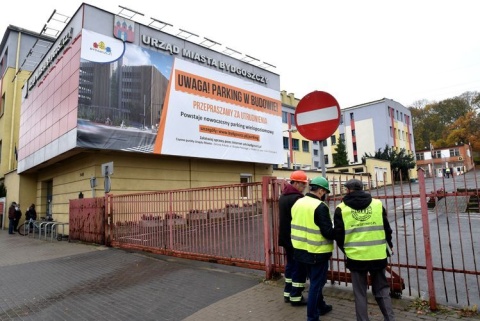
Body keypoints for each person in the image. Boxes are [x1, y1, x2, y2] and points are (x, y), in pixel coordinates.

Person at [334, 179, 395, 321]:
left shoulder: (341, 208)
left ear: (348, 190)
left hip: (356, 257)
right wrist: (389, 245)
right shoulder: (377, 204)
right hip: (378, 255)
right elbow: (387, 229)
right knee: (382, 290)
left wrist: (347, 251)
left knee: (360, 293)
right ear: (362, 189)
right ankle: (390, 318)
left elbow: (339, 236)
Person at [291, 176, 334, 320]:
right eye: (325, 192)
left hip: (300, 250)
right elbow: (327, 232)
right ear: (321, 191)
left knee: (315, 282)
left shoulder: (298, 202)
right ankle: (312, 317)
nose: (325, 195)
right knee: (316, 285)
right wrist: (340, 230)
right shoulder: (320, 206)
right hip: (317, 252)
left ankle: (321, 306)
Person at [278, 170, 308, 305]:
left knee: (290, 265)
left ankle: (287, 293)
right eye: (302, 184)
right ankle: (296, 296)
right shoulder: (297, 198)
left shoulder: (283, 196)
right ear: (295, 183)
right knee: (298, 267)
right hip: (295, 238)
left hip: (285, 237)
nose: (304, 187)